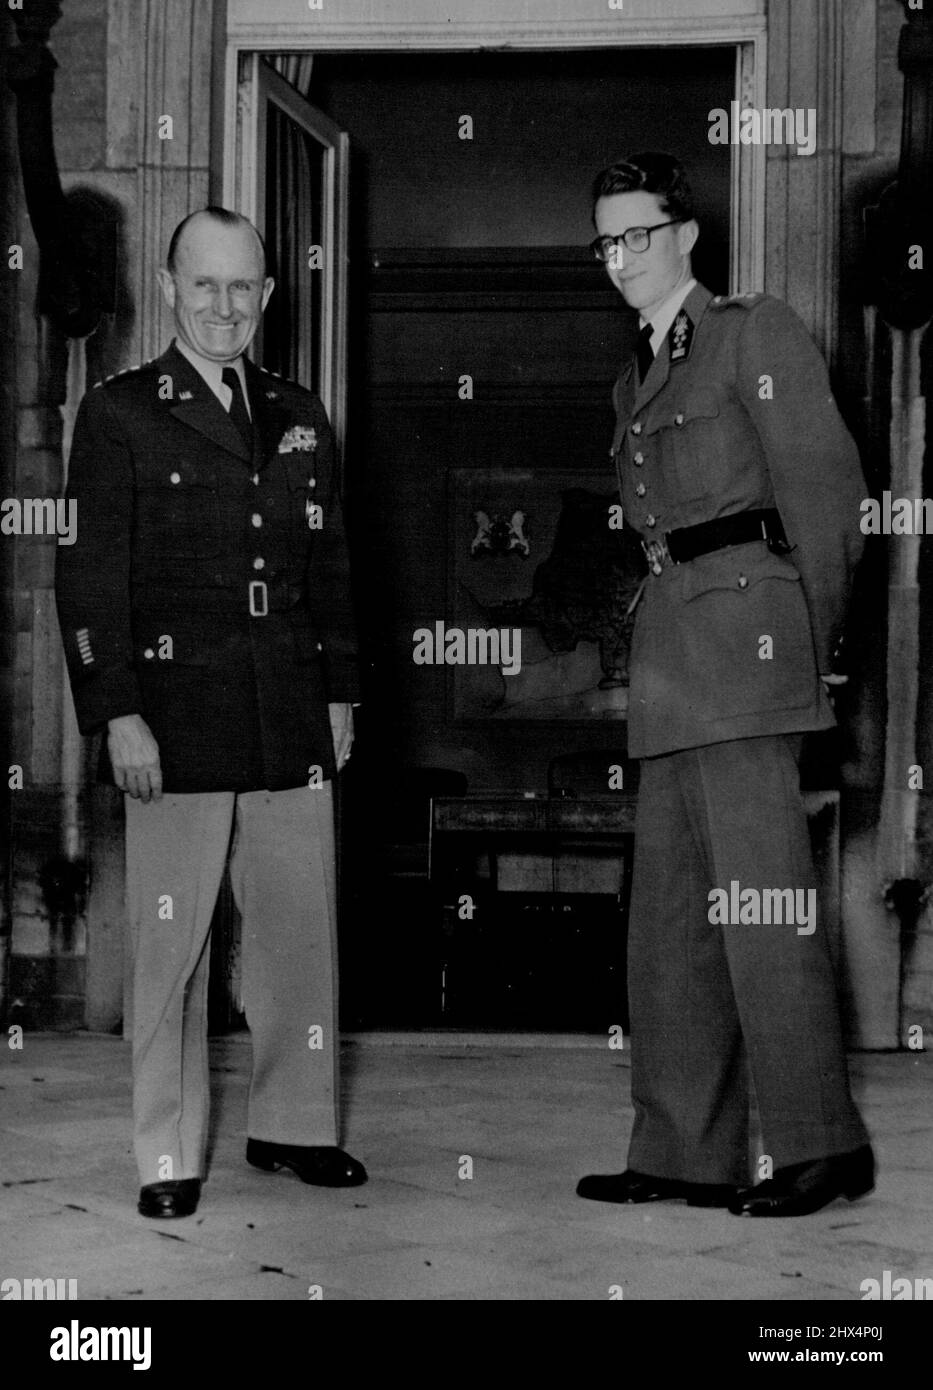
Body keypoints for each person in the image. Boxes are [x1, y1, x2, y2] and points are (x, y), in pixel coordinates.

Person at [576, 153, 873, 1217]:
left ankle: (820, 1145)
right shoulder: (636, 375)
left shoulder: (755, 332)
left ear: (687, 235)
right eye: (606, 242)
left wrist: (810, 645)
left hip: (748, 655)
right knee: (668, 924)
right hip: (669, 670)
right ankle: (682, 1150)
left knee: (764, 910)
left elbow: (830, 501)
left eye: (639, 235)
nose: (622, 259)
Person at [56, 207, 366, 1218]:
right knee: (172, 947)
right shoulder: (119, 412)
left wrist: (343, 694)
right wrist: (118, 715)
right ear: (169, 287)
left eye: (244, 288)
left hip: (289, 712)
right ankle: (168, 1151)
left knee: (298, 938)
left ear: (268, 295)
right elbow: (90, 581)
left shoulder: (302, 412)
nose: (225, 307)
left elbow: (332, 569)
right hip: (174, 718)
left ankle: (294, 1127)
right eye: (205, 285)